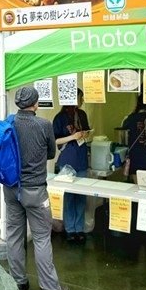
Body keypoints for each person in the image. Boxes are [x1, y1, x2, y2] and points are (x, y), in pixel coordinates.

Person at [5, 86, 70, 290]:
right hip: (35, 190)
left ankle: (18, 282)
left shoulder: (9, 123)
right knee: (42, 238)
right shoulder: (43, 125)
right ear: (35, 104)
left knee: (14, 235)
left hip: (12, 189)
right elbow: (51, 153)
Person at [53, 88, 90, 243]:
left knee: (81, 197)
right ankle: (70, 229)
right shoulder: (59, 118)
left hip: (81, 158)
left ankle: (79, 228)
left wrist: (85, 134)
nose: (82, 100)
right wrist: (72, 137)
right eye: (81, 97)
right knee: (69, 196)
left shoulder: (82, 115)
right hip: (67, 161)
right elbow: (55, 141)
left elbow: (87, 130)